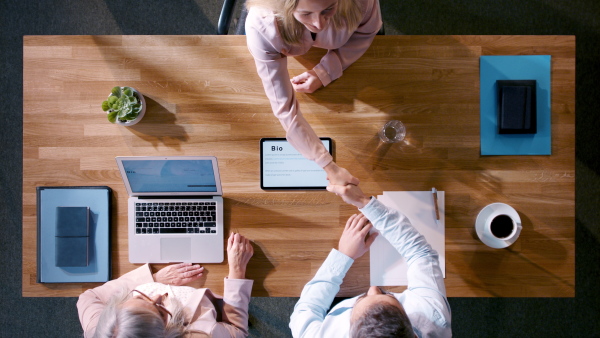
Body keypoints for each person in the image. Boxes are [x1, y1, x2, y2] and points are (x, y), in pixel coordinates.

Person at [245, 0, 382, 186]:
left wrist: (326, 71)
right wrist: (328, 165)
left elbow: (365, 32)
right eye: (306, 13)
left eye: (328, 9)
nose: (319, 24)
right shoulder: (261, 25)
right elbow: (285, 108)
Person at [289, 184, 452, 337]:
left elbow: (307, 308)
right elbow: (420, 253)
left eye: (363, 299)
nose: (373, 288)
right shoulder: (433, 317)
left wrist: (343, 256)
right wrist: (364, 203)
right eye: (390, 298)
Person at [77, 233, 254, 338]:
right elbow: (237, 332)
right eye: (160, 312)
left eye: (139, 298)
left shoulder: (101, 328)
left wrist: (153, 278)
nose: (159, 296)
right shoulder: (202, 333)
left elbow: (88, 297)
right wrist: (237, 271)